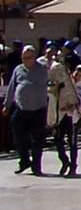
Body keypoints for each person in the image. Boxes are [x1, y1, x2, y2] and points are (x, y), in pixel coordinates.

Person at [5, 45, 50, 176]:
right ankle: (24, 160)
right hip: (21, 109)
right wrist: (7, 105)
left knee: (38, 139)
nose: (26, 60)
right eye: (24, 58)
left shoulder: (42, 69)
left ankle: (36, 166)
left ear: (34, 57)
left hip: (38, 109)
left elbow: (50, 83)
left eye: (29, 58)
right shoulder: (18, 69)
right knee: (18, 135)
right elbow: (12, 87)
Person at [48, 47, 81, 176]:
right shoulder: (55, 71)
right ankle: (64, 161)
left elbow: (78, 92)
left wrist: (74, 105)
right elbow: (50, 89)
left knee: (72, 141)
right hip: (59, 110)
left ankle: (73, 165)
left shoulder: (75, 76)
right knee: (58, 139)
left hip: (71, 111)